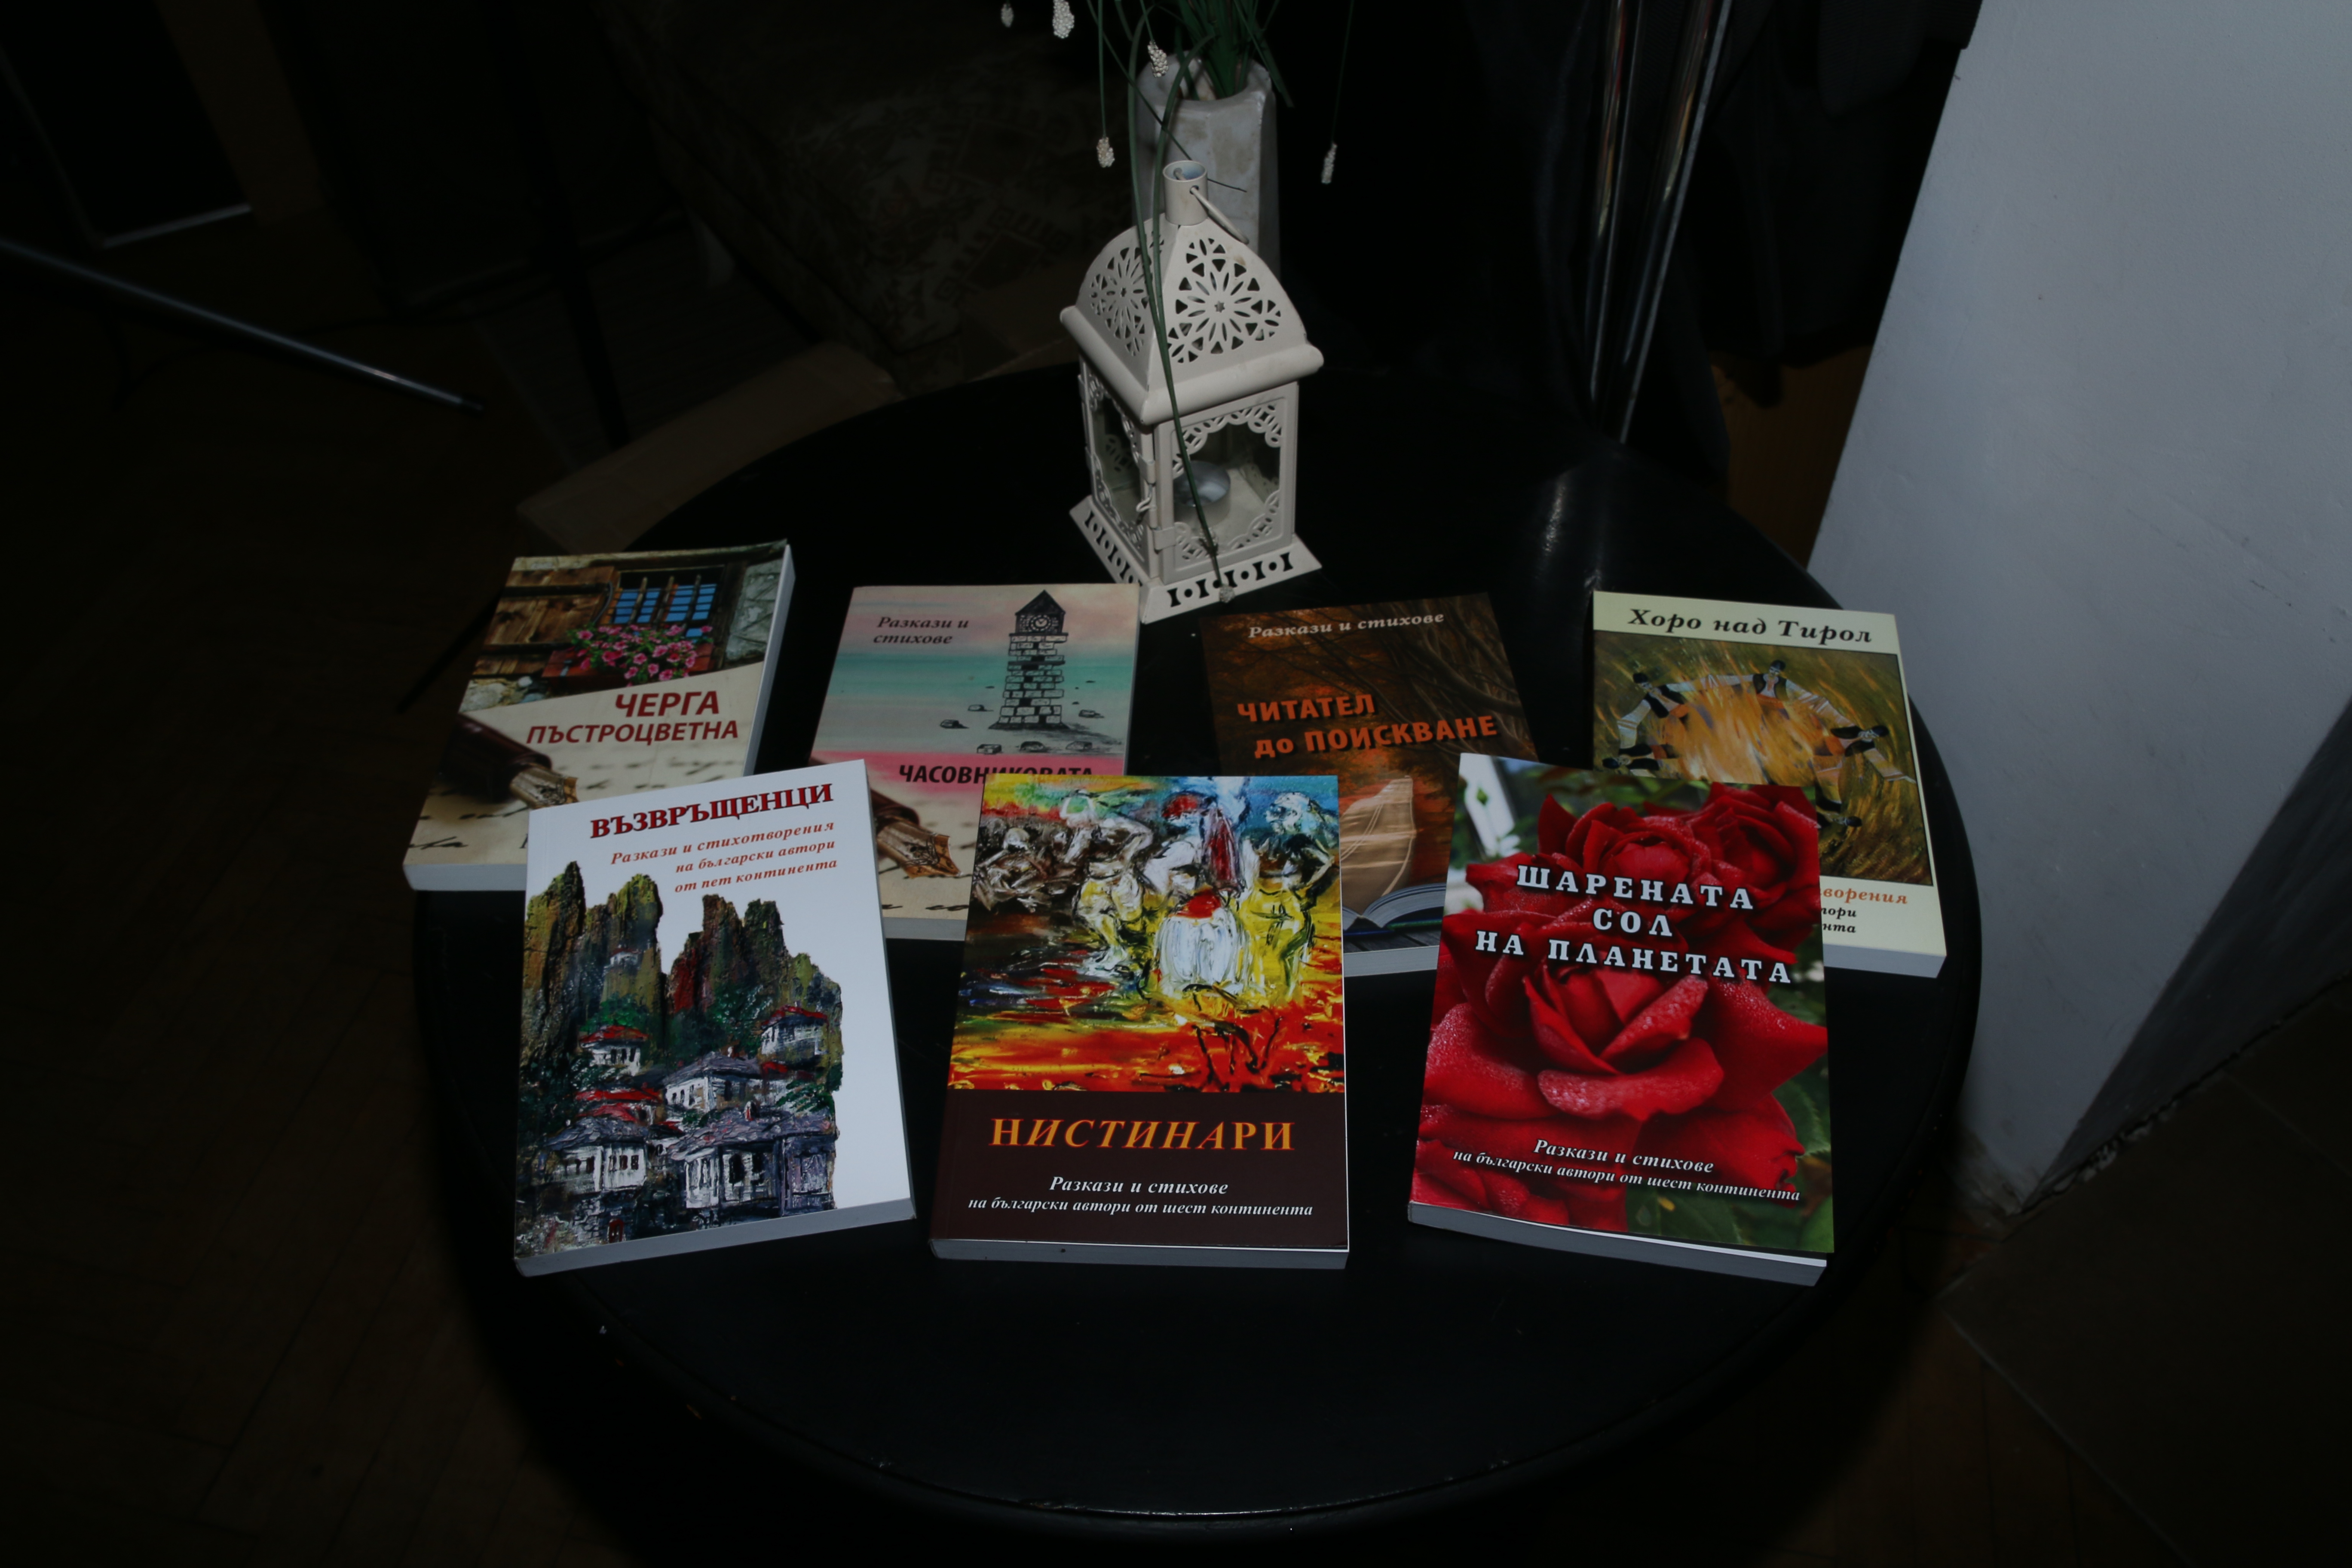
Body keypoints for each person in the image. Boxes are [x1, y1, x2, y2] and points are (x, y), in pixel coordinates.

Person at [1233, 791, 1336, 1008]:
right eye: (1275, 813)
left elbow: (1328, 863)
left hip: (1286, 904)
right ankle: (1261, 995)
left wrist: (1306, 888)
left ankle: (1287, 997)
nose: (1275, 819)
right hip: (1259, 902)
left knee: (1286, 954)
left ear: (1295, 816)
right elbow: (1248, 869)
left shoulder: (1300, 842)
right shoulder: (1258, 838)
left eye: (1283, 814)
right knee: (1257, 951)